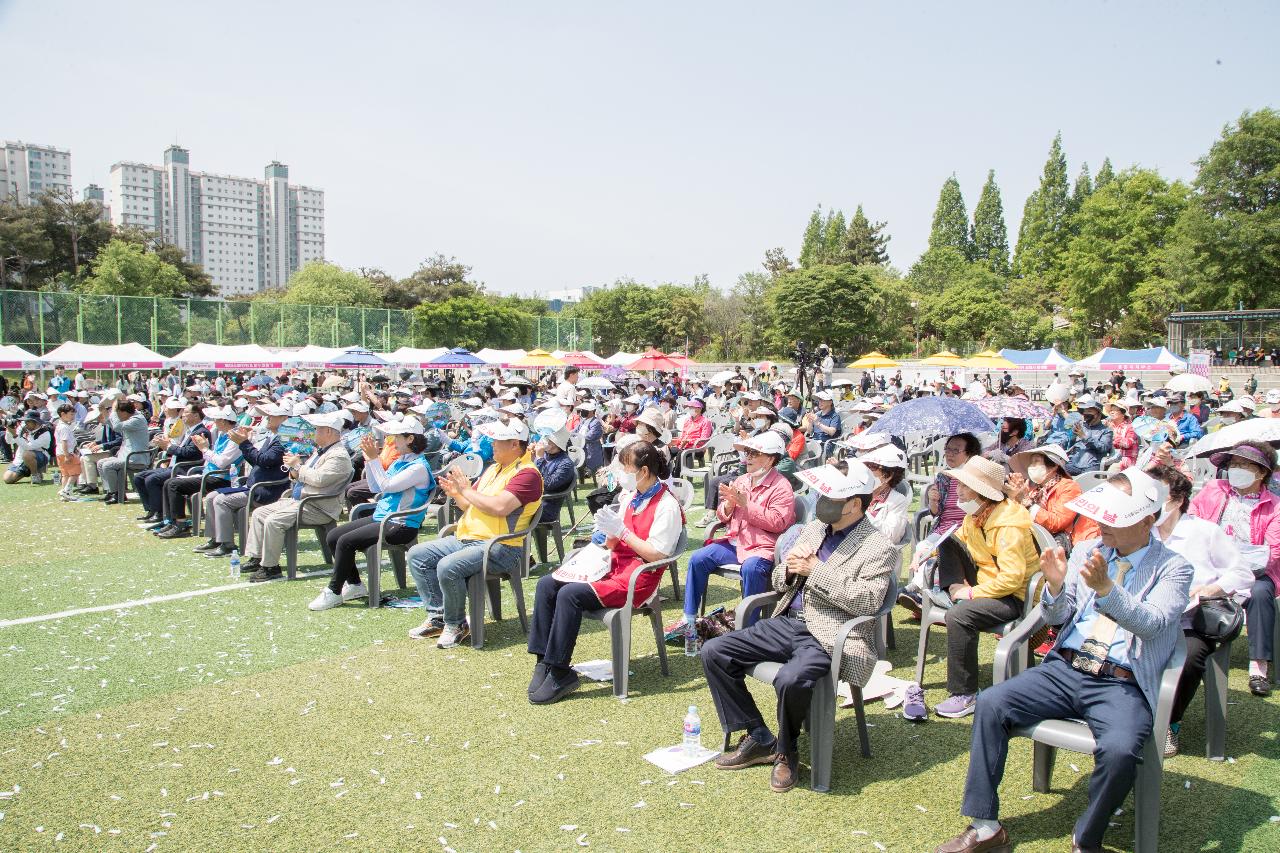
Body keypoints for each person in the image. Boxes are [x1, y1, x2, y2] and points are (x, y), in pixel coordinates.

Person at [936, 468, 1191, 853]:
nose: (1102, 522)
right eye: (1102, 513)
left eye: (1114, 517)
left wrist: (1107, 590)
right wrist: (1055, 586)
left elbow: (1153, 624)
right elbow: (1057, 617)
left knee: (1122, 748)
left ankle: (1086, 839)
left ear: (1147, 519)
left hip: (1122, 681)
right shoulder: (1090, 550)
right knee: (990, 702)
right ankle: (985, 826)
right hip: (1065, 669)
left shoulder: (1174, 567)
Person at [701, 463, 895, 792]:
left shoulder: (879, 547)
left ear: (855, 504)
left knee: (791, 678)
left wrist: (815, 570)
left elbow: (867, 603)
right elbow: (779, 579)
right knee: (714, 651)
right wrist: (789, 572)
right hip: (787, 621)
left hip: (831, 633)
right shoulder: (816, 528)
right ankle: (760, 736)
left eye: (830, 497)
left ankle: (786, 751)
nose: (821, 501)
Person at [527, 441, 683, 705]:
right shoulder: (632, 496)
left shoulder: (667, 505)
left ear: (643, 471)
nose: (621, 472)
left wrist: (622, 532)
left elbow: (657, 555)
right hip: (611, 566)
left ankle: (560, 670)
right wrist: (606, 533)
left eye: (626, 467)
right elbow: (614, 541)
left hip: (637, 577)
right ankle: (544, 661)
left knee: (569, 594)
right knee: (547, 584)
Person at [918, 456, 1041, 720]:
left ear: (983, 493)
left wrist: (971, 593)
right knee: (947, 541)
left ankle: (965, 694)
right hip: (987, 582)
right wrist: (929, 554)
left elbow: (1012, 579)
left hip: (1014, 596)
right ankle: (953, 592)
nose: (958, 491)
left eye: (965, 486)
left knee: (959, 616)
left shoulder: (1008, 526)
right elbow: (960, 541)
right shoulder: (976, 516)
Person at [406, 419, 544, 649]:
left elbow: (500, 507)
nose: (492, 444)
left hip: (500, 548)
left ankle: (456, 624)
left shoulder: (527, 474)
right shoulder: (493, 469)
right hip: (468, 539)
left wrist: (467, 489)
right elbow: (470, 506)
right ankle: (438, 617)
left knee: (448, 566)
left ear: (514, 445)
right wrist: (457, 493)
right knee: (418, 555)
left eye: (498, 440)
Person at [1150, 464, 1252, 756]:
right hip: (1150, 614)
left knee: (1190, 656)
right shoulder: (1144, 532)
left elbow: (1243, 574)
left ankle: (1170, 722)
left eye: (1160, 495)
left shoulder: (1204, 532)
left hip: (1193, 619)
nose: (1154, 503)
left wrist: (1211, 589)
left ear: (1178, 500)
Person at [309, 419, 435, 611]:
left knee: (345, 541)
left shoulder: (418, 467)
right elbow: (377, 487)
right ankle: (354, 585)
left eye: (396, 437)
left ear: (410, 439)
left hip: (401, 525)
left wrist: (374, 458)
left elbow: (387, 486)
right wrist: (370, 460)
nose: (391, 441)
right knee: (334, 536)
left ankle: (333, 591)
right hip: (385, 518)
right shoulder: (402, 461)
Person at [1187, 440, 1280, 697]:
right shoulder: (1215, 489)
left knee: (1261, 593)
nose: (1237, 470)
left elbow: (1272, 553)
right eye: (1235, 464)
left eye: (1246, 466)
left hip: (1255, 570)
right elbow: (1193, 518)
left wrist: (1236, 568)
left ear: (1262, 473)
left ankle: (1258, 667)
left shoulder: (1274, 505)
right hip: (1209, 563)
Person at [682, 431, 796, 623]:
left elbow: (779, 522)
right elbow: (722, 516)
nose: (748, 457)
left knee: (752, 568)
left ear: (770, 459)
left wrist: (746, 505)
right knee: (697, 558)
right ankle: (689, 617)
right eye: (747, 452)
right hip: (735, 543)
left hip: (762, 547)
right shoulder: (742, 480)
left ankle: (747, 627)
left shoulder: (782, 486)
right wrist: (727, 507)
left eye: (754, 453)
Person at [241, 412, 355, 582]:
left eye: (317, 429)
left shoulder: (338, 455)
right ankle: (257, 557)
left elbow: (319, 479)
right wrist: (293, 468)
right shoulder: (321, 451)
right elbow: (298, 475)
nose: (314, 432)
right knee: (259, 514)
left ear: (329, 432)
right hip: (302, 501)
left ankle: (270, 567)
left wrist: (297, 466)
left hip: (318, 506)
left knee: (274, 520)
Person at [194, 403, 289, 558]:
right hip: (253, 485)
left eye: (272, 415)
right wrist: (247, 443)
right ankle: (216, 539)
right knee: (212, 497)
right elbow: (257, 461)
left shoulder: (283, 440)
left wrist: (244, 443)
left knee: (220, 500)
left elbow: (264, 460)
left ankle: (228, 545)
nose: (268, 418)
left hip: (266, 490)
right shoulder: (271, 437)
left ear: (285, 419)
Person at [153, 407, 243, 539]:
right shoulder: (223, 435)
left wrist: (205, 449)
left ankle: (181, 525)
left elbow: (221, 462)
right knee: (169, 483)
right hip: (209, 474)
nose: (213, 422)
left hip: (222, 478)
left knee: (174, 484)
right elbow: (211, 458)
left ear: (224, 421)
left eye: (216, 419)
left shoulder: (235, 439)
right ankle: (172, 521)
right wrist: (205, 450)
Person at [1004, 444, 1099, 550]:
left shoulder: (1069, 487)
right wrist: (1015, 496)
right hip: (1045, 541)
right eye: (1031, 463)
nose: (1031, 466)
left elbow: (1057, 522)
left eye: (1036, 461)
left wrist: (1026, 501)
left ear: (1054, 466)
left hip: (1077, 544)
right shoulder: (1036, 490)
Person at [133, 403, 209, 524]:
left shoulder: (201, 432)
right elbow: (180, 448)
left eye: (185, 413)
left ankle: (160, 513)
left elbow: (189, 452)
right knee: (139, 477)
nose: (182, 416)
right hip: (174, 465)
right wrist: (166, 445)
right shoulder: (188, 430)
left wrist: (168, 446)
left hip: (185, 468)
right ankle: (151, 510)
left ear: (196, 416)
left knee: (152, 480)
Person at [95, 398, 151, 504]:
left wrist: (114, 410)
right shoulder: (130, 418)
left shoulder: (137, 419)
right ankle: (111, 492)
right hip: (127, 455)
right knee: (101, 463)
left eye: (118, 414)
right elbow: (114, 426)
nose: (118, 416)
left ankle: (117, 494)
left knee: (108, 465)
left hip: (136, 458)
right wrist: (105, 412)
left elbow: (116, 427)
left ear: (124, 412)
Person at [925, 433, 983, 534]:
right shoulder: (943, 477)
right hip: (944, 531)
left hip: (970, 530)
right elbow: (936, 512)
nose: (950, 454)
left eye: (956, 450)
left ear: (970, 454)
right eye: (948, 449)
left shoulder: (978, 477)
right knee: (923, 548)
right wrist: (932, 500)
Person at [859, 443, 910, 545]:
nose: (867, 469)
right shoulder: (857, 492)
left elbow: (892, 536)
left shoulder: (897, 501)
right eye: (865, 464)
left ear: (888, 475)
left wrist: (860, 512)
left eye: (872, 466)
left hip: (876, 553)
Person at [1064, 395, 1113, 475]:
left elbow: (1103, 448)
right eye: (1085, 412)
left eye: (1089, 411)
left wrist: (1084, 437)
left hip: (1092, 465)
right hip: (1074, 462)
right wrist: (1072, 434)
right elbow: (1069, 444)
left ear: (1098, 414)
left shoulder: (1106, 431)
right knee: (1058, 470)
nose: (1086, 414)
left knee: (1086, 481)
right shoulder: (1080, 426)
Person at [52, 403, 80, 500]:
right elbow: (64, 442)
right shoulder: (64, 427)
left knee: (66, 474)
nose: (73, 417)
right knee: (75, 472)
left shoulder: (60, 426)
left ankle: (64, 491)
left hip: (59, 453)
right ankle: (67, 490)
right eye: (71, 414)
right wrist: (67, 455)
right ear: (63, 414)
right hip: (66, 453)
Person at [1107, 398, 1139, 470]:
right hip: (1109, 457)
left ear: (1123, 414)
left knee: (1112, 469)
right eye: (1111, 410)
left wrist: (1113, 433)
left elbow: (1127, 444)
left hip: (1125, 459)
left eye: (1115, 410)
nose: (1112, 412)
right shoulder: (1108, 425)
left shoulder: (1130, 427)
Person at [574, 400, 604, 475]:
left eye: (584, 410)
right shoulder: (583, 421)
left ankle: (588, 470)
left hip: (589, 447)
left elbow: (591, 435)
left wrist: (578, 439)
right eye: (581, 410)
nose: (582, 412)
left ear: (591, 411)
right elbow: (574, 431)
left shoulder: (596, 422)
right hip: (579, 445)